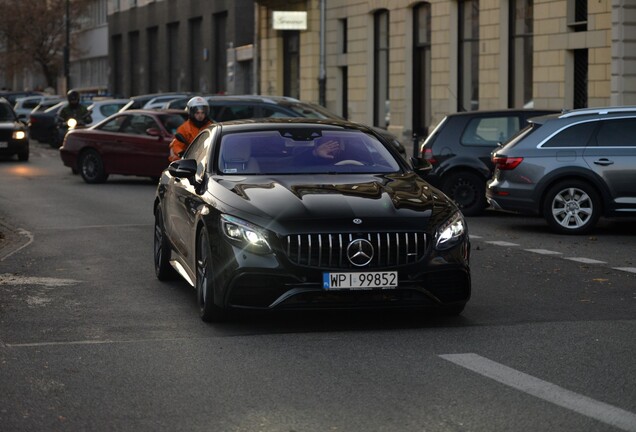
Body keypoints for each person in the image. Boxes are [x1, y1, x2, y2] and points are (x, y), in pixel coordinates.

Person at [168, 96, 213, 162]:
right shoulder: (184, 128)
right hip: (190, 161)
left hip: (208, 160)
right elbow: (176, 145)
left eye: (202, 113)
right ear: (192, 113)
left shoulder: (211, 126)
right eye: (197, 113)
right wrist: (182, 154)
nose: (200, 115)